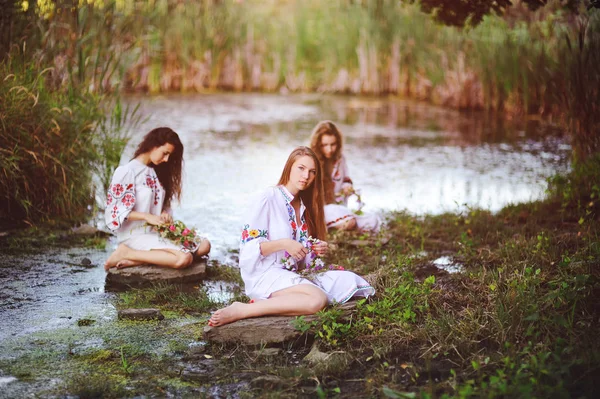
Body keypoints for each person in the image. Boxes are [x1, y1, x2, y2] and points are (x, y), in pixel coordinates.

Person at [208, 146, 374, 327]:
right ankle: (244, 309)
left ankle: (294, 296)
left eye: (312, 172)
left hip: (290, 273)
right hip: (266, 274)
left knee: (349, 280)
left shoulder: (305, 206)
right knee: (317, 299)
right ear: (289, 168)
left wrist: (314, 249)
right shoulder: (268, 197)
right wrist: (284, 244)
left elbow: (300, 261)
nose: (306, 176)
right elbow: (249, 248)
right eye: (301, 168)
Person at [104, 127, 210, 270]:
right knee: (184, 258)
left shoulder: (157, 171)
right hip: (134, 235)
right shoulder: (127, 172)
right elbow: (114, 212)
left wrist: (164, 213)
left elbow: (162, 204)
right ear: (153, 145)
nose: (166, 159)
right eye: (165, 153)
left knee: (204, 245)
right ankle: (126, 251)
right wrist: (146, 217)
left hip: (156, 231)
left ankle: (137, 258)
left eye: (169, 156)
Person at [309, 120, 380, 232]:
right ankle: (330, 227)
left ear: (338, 143)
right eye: (325, 145)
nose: (329, 149)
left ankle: (336, 227)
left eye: (333, 144)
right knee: (350, 222)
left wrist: (347, 187)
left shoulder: (340, 160)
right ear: (318, 144)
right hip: (320, 211)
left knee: (373, 220)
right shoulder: (311, 162)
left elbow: (346, 179)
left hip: (340, 208)